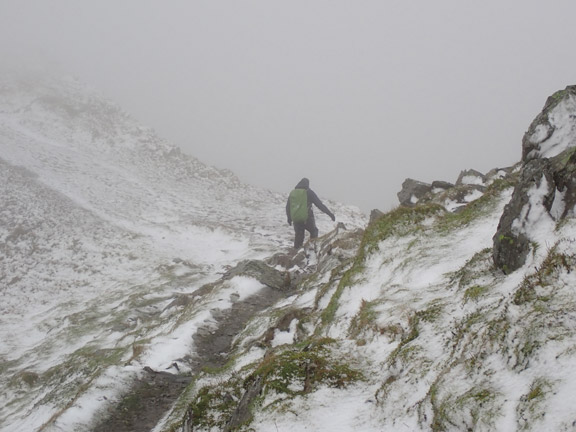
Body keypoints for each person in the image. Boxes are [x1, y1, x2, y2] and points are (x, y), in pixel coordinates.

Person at [286, 178, 335, 249]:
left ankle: (296, 253)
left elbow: (288, 206)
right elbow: (319, 204)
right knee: (314, 231)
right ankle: (312, 249)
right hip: (307, 218)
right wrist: (330, 214)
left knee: (299, 237)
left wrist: (289, 218)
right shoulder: (309, 192)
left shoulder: (293, 193)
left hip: (296, 219)